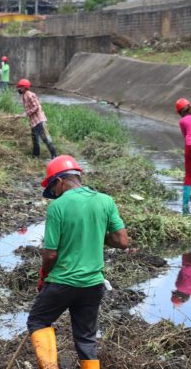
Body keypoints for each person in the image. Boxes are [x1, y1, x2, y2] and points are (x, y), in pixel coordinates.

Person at [27, 155, 130, 369]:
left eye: (53, 190)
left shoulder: (58, 207)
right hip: (93, 284)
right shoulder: (105, 201)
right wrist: (99, 233)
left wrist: (43, 276)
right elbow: (122, 241)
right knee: (85, 338)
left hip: (63, 282)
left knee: (38, 320)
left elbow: (50, 255)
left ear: (59, 181)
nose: (54, 195)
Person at [16, 78, 57, 159]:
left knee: (46, 140)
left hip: (39, 121)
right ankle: (35, 157)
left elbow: (36, 107)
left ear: (24, 87)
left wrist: (25, 114)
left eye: (20, 87)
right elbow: (29, 109)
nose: (19, 89)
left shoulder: (30, 95)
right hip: (33, 122)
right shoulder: (24, 96)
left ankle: (54, 156)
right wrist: (20, 115)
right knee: (35, 141)